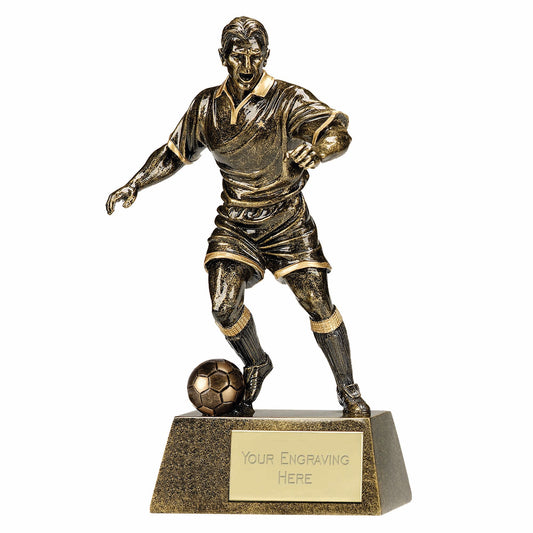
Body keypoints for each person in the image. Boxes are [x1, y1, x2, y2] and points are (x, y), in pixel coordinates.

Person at [106, 16, 370, 417]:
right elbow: (174, 152)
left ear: (267, 55)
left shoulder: (288, 98)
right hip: (235, 224)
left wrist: (318, 149)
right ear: (222, 57)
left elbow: (337, 132)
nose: (247, 65)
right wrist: (135, 183)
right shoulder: (206, 105)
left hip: (286, 221)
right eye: (238, 56)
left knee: (317, 302)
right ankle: (257, 361)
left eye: (255, 56)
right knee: (222, 306)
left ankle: (348, 390)